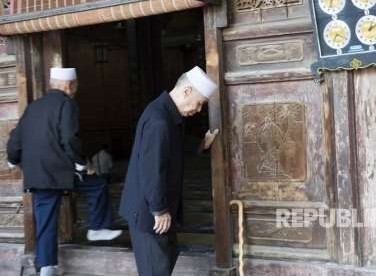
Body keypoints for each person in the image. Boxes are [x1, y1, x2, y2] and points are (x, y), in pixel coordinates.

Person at [6, 68, 122, 276]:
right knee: (97, 184)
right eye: (76, 85)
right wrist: (80, 164)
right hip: (61, 171)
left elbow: (15, 138)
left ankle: (47, 267)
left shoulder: (33, 106)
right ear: (70, 85)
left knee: (46, 221)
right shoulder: (67, 104)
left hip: (38, 175)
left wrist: (13, 159)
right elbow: (69, 137)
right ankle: (96, 228)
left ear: (52, 84)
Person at [119, 66, 218, 276]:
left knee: (166, 259)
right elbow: (151, 170)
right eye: (199, 103)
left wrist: (200, 145)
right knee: (156, 270)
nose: (198, 109)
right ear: (187, 91)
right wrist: (159, 209)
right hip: (148, 213)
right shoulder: (159, 120)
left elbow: (173, 142)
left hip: (155, 210)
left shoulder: (165, 112)